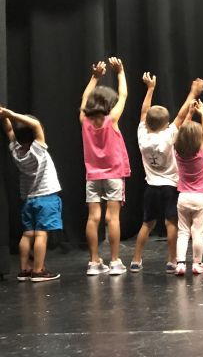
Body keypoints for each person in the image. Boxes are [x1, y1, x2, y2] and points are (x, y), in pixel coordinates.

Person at [130, 74, 203, 273]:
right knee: (171, 222)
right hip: (170, 186)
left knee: (147, 223)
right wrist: (193, 92)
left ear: (147, 122)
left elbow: (144, 111)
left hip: (151, 186)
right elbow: (181, 117)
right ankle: (173, 260)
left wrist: (150, 89)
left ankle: (136, 259)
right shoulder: (168, 135)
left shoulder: (142, 134)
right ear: (166, 123)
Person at [80, 58, 131, 276]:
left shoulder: (84, 119)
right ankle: (115, 261)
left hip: (92, 175)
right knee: (113, 218)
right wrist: (120, 72)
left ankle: (93, 262)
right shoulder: (112, 119)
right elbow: (124, 95)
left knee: (93, 217)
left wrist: (95, 77)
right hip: (113, 174)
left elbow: (84, 99)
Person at [1, 106, 62, 282]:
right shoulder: (38, 149)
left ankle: (24, 269)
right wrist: (11, 115)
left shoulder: (16, 151)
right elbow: (35, 125)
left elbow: (9, 130)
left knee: (27, 233)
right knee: (42, 234)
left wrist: (4, 116)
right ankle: (38, 270)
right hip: (47, 198)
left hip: (29, 200)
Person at [174, 100, 203, 276]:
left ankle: (180, 264)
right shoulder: (200, 154)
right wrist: (202, 112)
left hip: (183, 197)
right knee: (198, 232)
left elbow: (181, 131)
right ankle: (197, 264)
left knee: (183, 232)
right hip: (200, 198)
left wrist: (189, 113)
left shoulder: (177, 152)